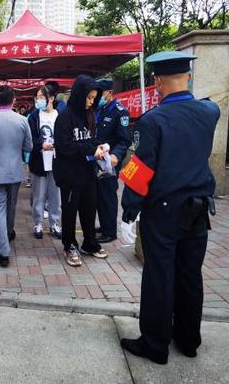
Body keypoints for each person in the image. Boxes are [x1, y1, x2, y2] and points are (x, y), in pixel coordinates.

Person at [119, 51, 220, 365]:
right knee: (190, 276)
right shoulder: (209, 112)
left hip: (163, 211)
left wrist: (128, 210)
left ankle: (155, 344)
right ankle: (188, 340)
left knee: (159, 276)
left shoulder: (153, 121)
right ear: (188, 76)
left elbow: (140, 169)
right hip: (199, 209)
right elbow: (210, 106)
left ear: (157, 82)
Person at [53, 75, 109, 267]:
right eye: (89, 97)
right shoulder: (64, 117)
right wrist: (89, 149)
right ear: (79, 95)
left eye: (94, 98)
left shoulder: (90, 115)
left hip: (88, 173)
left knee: (89, 210)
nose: (91, 102)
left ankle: (90, 243)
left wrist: (100, 146)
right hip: (70, 175)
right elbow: (64, 147)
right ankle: (69, 245)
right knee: (70, 213)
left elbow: (91, 139)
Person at [0, 85, 33, 267]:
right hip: (16, 170)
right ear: (14, 100)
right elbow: (29, 147)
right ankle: (8, 232)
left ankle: (4, 251)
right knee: (11, 206)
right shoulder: (23, 120)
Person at [94, 79, 131, 244]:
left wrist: (116, 155)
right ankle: (104, 225)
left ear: (109, 93)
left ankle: (110, 232)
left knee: (107, 195)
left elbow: (124, 140)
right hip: (96, 160)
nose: (98, 97)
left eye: (100, 93)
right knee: (99, 195)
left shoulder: (119, 112)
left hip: (110, 162)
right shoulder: (99, 109)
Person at [27, 86, 62, 239]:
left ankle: (55, 223)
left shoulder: (60, 115)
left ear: (51, 98)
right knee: (38, 195)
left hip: (56, 161)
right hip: (39, 161)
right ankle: (38, 223)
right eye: (37, 97)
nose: (39, 100)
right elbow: (30, 138)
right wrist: (41, 144)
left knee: (55, 195)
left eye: (42, 97)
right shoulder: (34, 116)